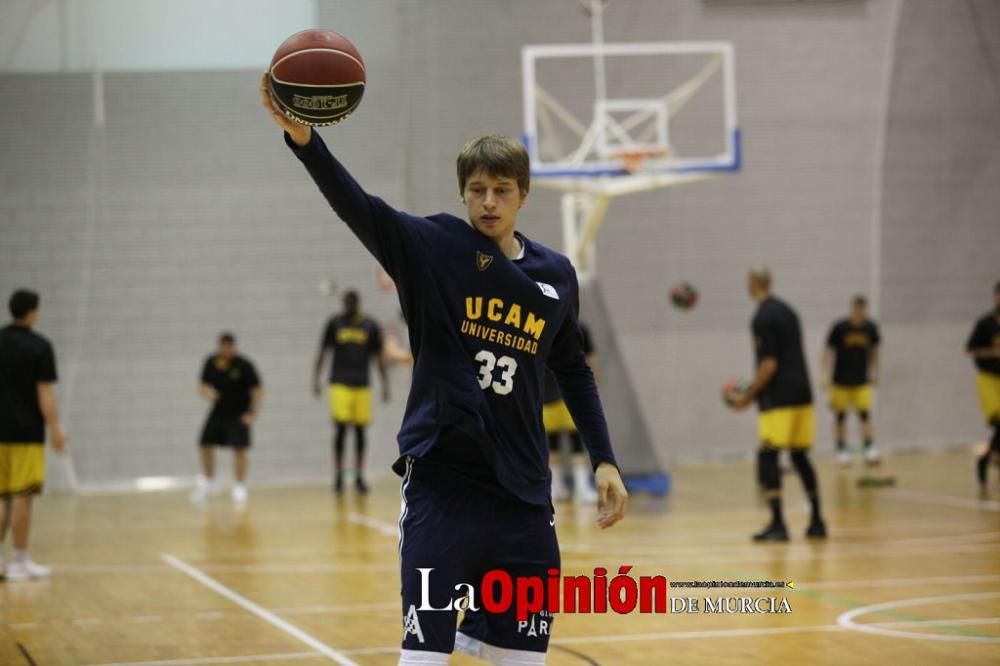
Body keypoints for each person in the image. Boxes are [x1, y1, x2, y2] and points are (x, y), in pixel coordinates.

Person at [262, 75, 627, 665]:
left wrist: (604, 457)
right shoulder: (432, 246)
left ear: (523, 195)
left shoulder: (556, 276)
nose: (488, 202)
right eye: (477, 189)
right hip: (443, 489)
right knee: (424, 658)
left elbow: (574, 372)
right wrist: (306, 141)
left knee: (521, 659)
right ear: (462, 193)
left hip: (524, 501)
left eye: (501, 190)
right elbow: (359, 208)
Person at [724, 268, 827, 542]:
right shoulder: (789, 311)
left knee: (768, 455)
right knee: (799, 455)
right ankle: (817, 521)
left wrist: (747, 395)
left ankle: (778, 523)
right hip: (803, 393)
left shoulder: (762, 316)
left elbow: (769, 363)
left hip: (779, 397)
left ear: (753, 283)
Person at [0, 289, 67, 581]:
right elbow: (44, 392)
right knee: (22, 497)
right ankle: (20, 560)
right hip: (26, 432)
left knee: (2, 496)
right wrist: (56, 430)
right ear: (31, 312)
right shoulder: (39, 346)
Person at [313, 289, 389, 494]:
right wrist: (316, 378)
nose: (347, 307)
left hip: (362, 384)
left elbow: (378, 357)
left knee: (360, 430)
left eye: (351, 303)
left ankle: (358, 476)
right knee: (341, 427)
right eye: (345, 303)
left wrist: (385, 384)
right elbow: (323, 351)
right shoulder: (334, 324)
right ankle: (338, 476)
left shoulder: (370, 325)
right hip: (339, 382)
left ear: (357, 304)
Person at [191, 333, 262, 504]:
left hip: (239, 413)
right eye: (224, 347)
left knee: (239, 449)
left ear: (234, 347)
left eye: (230, 347)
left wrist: (252, 413)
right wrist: (208, 393)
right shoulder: (211, 362)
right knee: (204, 444)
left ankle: (240, 486)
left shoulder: (244, 365)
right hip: (218, 412)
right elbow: (201, 385)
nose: (227, 350)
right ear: (220, 347)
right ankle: (209, 481)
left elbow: (258, 389)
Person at [821, 295, 882, 467]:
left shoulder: (871, 328)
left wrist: (876, 372)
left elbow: (875, 352)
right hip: (840, 381)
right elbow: (827, 351)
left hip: (861, 380)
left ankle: (869, 448)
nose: (860, 312)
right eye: (857, 308)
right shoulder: (840, 327)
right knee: (840, 416)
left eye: (863, 309)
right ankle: (841, 450)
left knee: (865, 415)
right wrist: (824, 375)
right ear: (852, 308)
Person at [544, 322, 598, 504]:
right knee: (575, 444)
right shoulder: (578, 328)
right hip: (566, 393)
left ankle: (556, 488)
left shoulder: (544, 322)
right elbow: (590, 361)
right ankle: (580, 490)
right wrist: (591, 392)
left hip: (546, 394)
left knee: (553, 443)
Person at [966, 280, 1000, 495]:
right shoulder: (985, 323)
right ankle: (990, 458)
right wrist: (992, 353)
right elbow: (970, 350)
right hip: (988, 379)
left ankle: (985, 459)